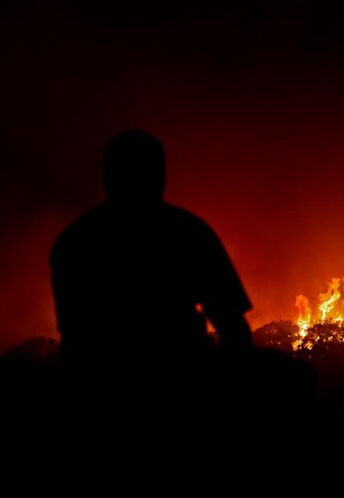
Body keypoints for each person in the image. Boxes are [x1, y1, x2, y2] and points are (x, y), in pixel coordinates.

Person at [50, 130, 253, 372]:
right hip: (181, 365)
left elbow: (72, 333)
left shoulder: (75, 239)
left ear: (107, 175)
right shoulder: (187, 232)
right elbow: (230, 322)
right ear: (159, 174)